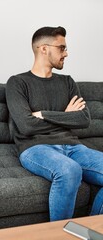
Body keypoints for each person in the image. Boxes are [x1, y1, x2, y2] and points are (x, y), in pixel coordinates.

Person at [6, 26, 103, 221]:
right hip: (35, 148)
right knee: (69, 170)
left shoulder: (67, 82)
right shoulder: (17, 83)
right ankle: (58, 235)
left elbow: (84, 119)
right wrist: (66, 117)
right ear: (44, 48)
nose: (66, 53)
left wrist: (43, 114)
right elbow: (27, 126)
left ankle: (91, 232)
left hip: (73, 147)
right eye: (62, 48)